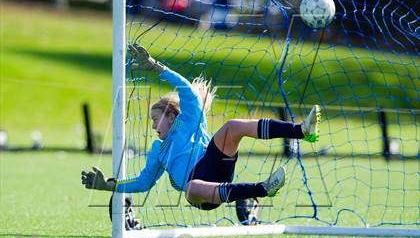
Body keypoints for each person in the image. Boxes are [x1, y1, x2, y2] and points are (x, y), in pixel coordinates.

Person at [81, 44, 321, 211]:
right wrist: (107, 185)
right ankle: (262, 189)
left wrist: (155, 67)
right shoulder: (158, 149)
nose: (153, 125)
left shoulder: (190, 120)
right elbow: (143, 182)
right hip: (201, 194)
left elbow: (185, 88)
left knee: (232, 126)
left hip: (213, 165)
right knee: (191, 187)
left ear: (171, 116)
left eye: (155, 119)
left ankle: (301, 131)